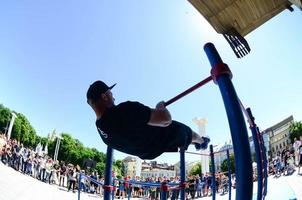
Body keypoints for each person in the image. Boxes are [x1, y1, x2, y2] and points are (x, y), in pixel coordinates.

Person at [86, 81, 210, 160]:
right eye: (110, 93)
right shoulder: (125, 110)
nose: (113, 96)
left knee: (183, 141)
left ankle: (195, 143)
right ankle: (202, 141)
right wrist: (160, 106)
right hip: (162, 136)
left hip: (148, 153)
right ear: (104, 96)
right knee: (188, 132)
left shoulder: (101, 130)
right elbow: (165, 119)